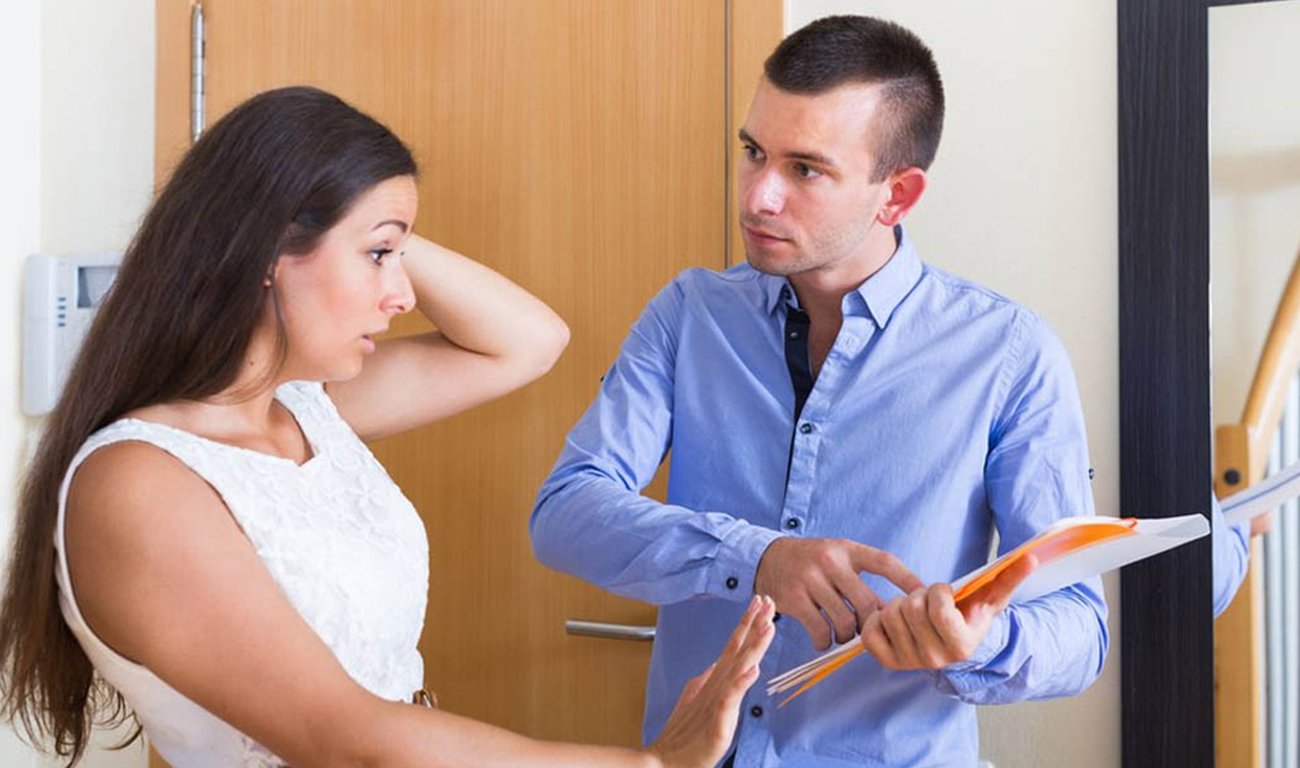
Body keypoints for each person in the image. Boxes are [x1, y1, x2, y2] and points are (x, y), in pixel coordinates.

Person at [0, 86, 775, 768]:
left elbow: (529, 341)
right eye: (378, 255)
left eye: (398, 255)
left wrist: (367, 212)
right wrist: (650, 764)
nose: (402, 293)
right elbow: (347, 741)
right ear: (267, 247)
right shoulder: (139, 483)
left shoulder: (305, 409)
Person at [531, 16, 1107, 767]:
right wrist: (756, 556)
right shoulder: (689, 315)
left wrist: (981, 641)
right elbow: (565, 511)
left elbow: (1080, 628)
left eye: (805, 169)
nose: (759, 197)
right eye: (753, 153)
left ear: (897, 195)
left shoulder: (1011, 355)